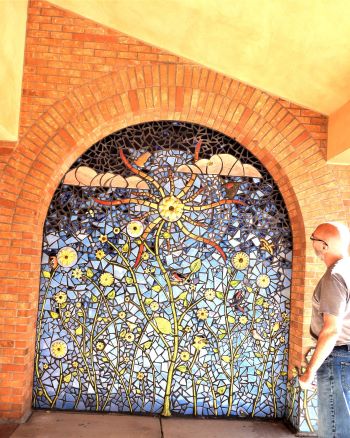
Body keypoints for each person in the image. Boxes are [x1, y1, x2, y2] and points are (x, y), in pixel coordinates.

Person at [299, 222, 350, 438]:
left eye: (313, 238)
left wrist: (309, 371)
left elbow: (331, 330)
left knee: (334, 430)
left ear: (324, 245)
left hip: (337, 359)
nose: (312, 243)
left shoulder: (335, 275)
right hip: (342, 356)